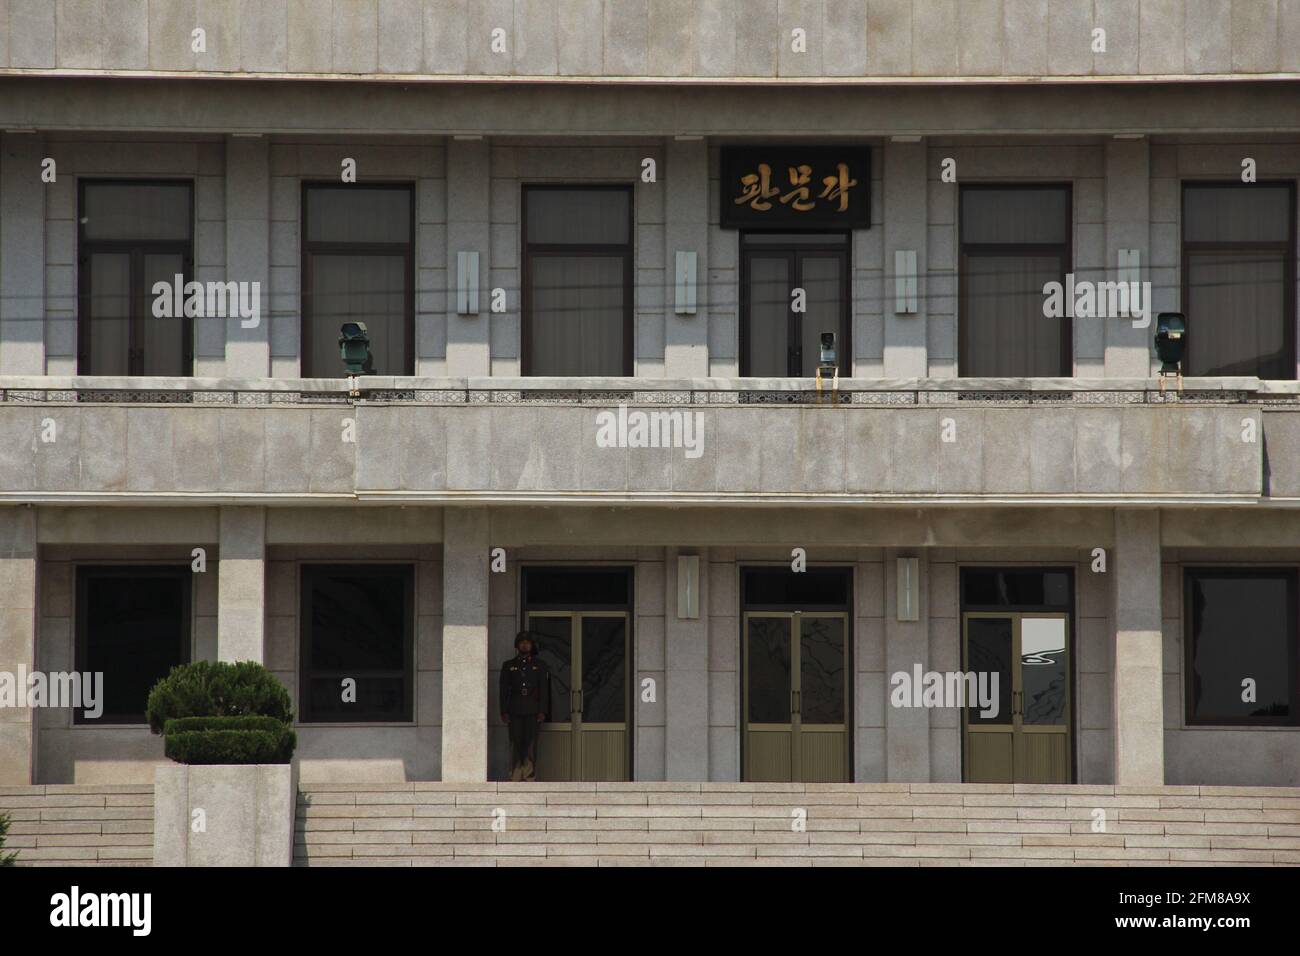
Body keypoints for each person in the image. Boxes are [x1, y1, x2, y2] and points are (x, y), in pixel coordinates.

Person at [499, 631, 550, 781]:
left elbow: (544, 690)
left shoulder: (540, 665)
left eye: (528, 642)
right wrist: (503, 711)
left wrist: (542, 710)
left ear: (532, 645)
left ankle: (529, 774)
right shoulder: (508, 666)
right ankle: (515, 773)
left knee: (531, 741)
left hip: (533, 709)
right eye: (522, 642)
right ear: (517, 645)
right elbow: (503, 690)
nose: (525, 644)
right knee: (515, 740)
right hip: (514, 709)